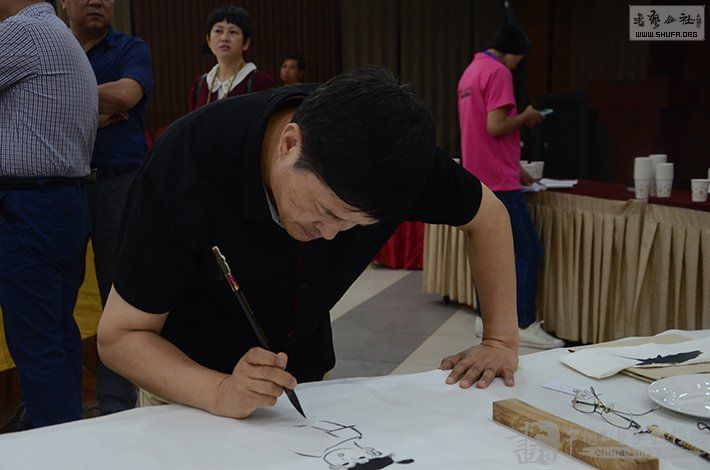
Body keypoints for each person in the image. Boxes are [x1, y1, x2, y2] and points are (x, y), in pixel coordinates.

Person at [98, 66, 520, 421]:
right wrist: (220, 391)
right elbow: (121, 337)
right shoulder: (188, 162)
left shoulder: (395, 160)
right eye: (326, 211)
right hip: (188, 388)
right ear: (289, 144)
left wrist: (500, 341)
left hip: (304, 385)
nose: (331, 234)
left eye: (357, 225)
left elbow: (489, 216)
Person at [0, 0, 97, 431]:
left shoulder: (23, 32)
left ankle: (55, 443)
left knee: (36, 340)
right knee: (55, 330)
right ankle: (66, 431)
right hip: (61, 200)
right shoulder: (58, 33)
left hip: (29, 205)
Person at [60, 0, 153, 415]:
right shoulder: (51, 47)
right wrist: (96, 105)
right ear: (64, 1)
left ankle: (118, 405)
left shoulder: (131, 49)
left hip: (120, 185)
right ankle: (55, 402)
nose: (98, 0)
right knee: (58, 295)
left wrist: (61, 99)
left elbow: (126, 94)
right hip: (64, 186)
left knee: (120, 296)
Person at [457, 24, 563, 349]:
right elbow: (496, 125)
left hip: (478, 175)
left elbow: (479, 131)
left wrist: (516, 167)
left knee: (485, 250)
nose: (519, 65)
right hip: (499, 181)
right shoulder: (499, 71)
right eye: (520, 58)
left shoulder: (470, 72)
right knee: (528, 250)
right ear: (513, 52)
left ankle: (484, 318)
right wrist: (527, 117)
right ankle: (524, 322)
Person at [189, 5, 274, 111]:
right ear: (208, 40)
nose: (224, 38)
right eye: (218, 31)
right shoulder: (200, 84)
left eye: (233, 32)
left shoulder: (261, 82)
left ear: (246, 43)